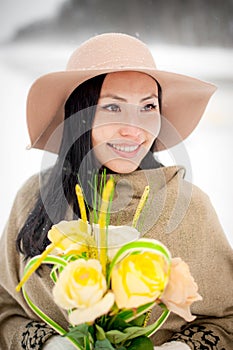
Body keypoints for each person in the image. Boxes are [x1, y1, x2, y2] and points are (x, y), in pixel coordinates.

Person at [0, 33, 232, 350]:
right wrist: (49, 344)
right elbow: (6, 308)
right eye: (112, 106)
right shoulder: (31, 197)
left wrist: (179, 347)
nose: (134, 128)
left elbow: (226, 319)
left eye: (148, 106)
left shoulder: (189, 206)